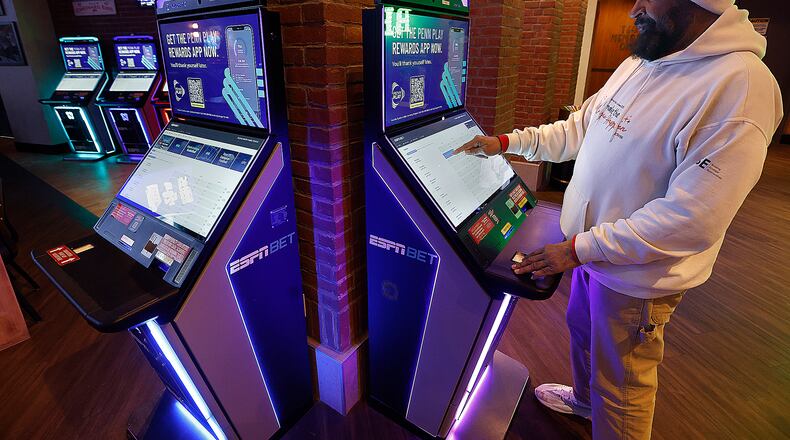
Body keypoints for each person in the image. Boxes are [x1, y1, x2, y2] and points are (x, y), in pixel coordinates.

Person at [454, 0, 783, 438]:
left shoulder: (739, 86)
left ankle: (604, 408)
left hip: (636, 275)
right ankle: (587, 403)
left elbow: (692, 218)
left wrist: (577, 249)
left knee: (623, 384)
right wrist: (506, 142)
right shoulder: (643, 60)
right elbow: (580, 128)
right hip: (590, 253)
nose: (634, 9)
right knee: (583, 333)